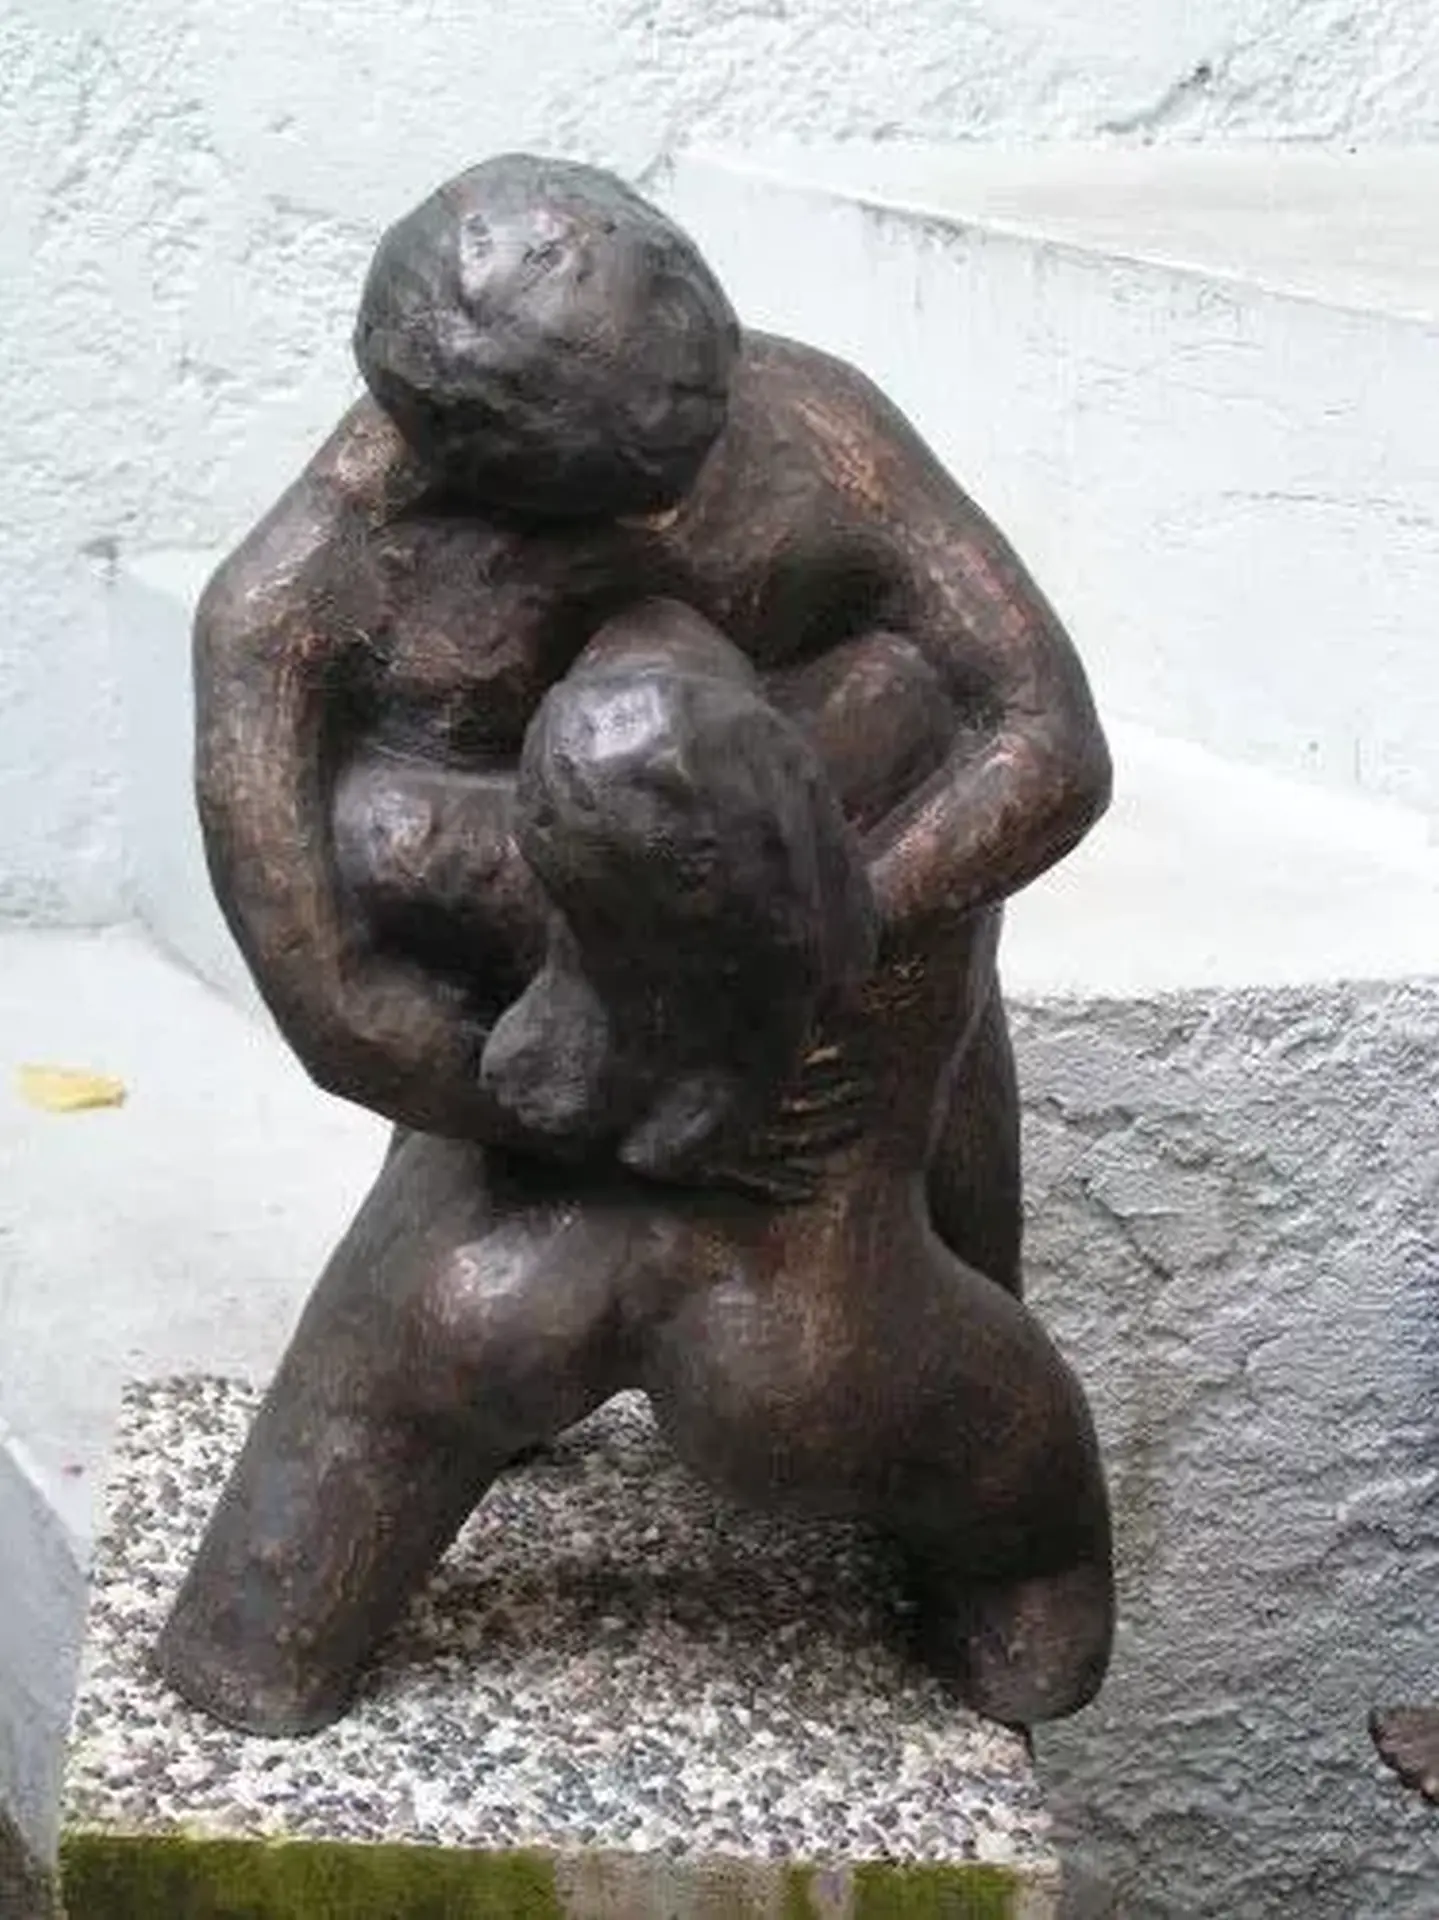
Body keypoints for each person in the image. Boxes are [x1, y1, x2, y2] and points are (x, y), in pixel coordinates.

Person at [156, 154, 1115, 1738]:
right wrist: (580, 1099)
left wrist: (816, 938)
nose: (696, 475)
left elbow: (1045, 740)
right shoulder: (299, 606)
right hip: (537, 1023)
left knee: (789, 1378)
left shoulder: (809, 427)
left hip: (835, 952)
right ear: (470, 465)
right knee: (466, 1323)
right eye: (637, 472)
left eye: (704, 404)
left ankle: (997, 1486)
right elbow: (337, 1004)